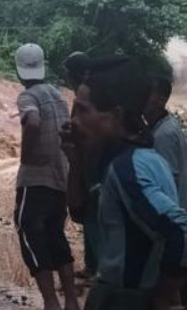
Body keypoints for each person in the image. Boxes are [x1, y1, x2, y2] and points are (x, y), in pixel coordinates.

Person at [68, 56, 187, 310]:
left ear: (115, 116)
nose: (74, 121)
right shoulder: (130, 158)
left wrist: (161, 298)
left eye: (83, 110)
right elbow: (81, 213)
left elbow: (179, 231)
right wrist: (75, 159)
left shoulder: (128, 168)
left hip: (126, 299)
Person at [13, 43, 80, 310]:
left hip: (35, 181)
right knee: (56, 235)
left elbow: (32, 121)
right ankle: (72, 301)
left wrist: (26, 155)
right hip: (60, 179)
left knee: (29, 231)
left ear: (19, 70)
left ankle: (51, 302)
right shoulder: (57, 95)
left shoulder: (27, 96)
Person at [63, 51, 100, 280]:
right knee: (89, 215)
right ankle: (92, 265)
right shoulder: (90, 92)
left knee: (93, 213)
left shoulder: (87, 96)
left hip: (90, 162)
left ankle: (97, 267)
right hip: (88, 161)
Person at [144, 71, 187, 209]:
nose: (141, 98)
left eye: (147, 94)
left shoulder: (164, 135)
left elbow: (167, 183)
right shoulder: (166, 124)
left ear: (161, 100)